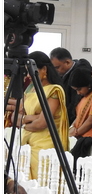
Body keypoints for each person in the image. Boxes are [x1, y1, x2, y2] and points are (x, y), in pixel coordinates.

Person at [9, 51, 69, 179]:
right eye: (26, 72)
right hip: (27, 143)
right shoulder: (30, 89)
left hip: (45, 146)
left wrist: (24, 123)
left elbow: (42, 123)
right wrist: (32, 118)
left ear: (44, 69)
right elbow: (14, 117)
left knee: (41, 183)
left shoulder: (54, 90)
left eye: (30, 71)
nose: (28, 76)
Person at [49, 47, 91, 124]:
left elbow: (75, 103)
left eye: (57, 67)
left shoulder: (79, 76)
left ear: (67, 62)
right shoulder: (62, 75)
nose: (55, 71)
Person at [68, 67, 92, 142]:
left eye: (79, 89)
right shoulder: (85, 96)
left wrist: (76, 133)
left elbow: (91, 120)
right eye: (76, 90)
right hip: (80, 135)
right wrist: (71, 128)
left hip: (90, 137)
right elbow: (78, 117)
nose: (78, 93)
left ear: (89, 85)